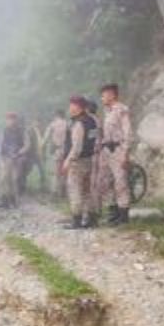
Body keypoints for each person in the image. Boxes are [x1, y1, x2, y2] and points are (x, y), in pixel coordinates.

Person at [60, 95, 99, 229]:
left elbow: (76, 147)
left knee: (75, 190)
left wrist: (67, 162)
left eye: (72, 105)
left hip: (77, 162)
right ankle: (92, 218)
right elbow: (97, 139)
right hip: (90, 159)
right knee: (88, 191)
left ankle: (76, 220)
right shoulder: (93, 120)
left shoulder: (78, 124)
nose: (69, 108)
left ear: (78, 107)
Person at [99, 84, 134, 224]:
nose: (102, 98)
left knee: (120, 181)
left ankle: (123, 214)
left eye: (104, 95)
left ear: (112, 95)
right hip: (106, 150)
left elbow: (128, 132)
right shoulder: (107, 111)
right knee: (106, 181)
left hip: (118, 149)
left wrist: (125, 152)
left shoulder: (121, 110)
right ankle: (113, 211)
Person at [0, 112, 27, 209]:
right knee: (4, 179)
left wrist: (19, 153)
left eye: (12, 119)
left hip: (17, 159)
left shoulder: (21, 131)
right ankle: (4, 199)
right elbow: (0, 144)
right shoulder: (4, 131)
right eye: (9, 119)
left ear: (15, 120)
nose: (10, 121)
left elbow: (27, 144)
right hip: (6, 157)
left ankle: (14, 199)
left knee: (14, 179)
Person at [44, 109, 69, 198]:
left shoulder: (52, 124)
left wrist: (44, 147)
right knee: (64, 172)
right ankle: (63, 191)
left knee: (55, 173)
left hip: (56, 150)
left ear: (56, 115)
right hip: (66, 151)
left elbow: (46, 138)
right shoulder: (67, 124)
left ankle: (54, 192)